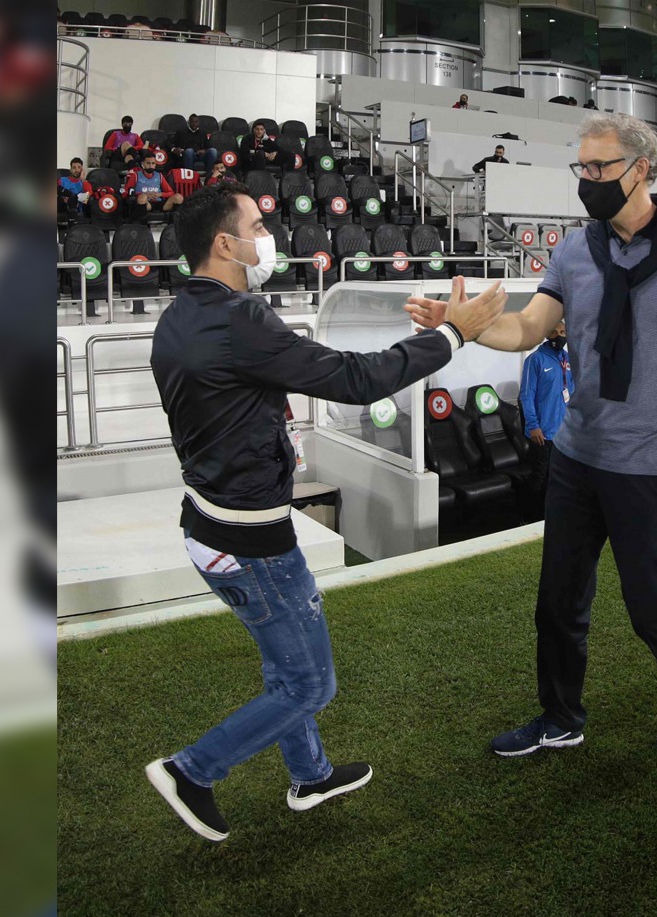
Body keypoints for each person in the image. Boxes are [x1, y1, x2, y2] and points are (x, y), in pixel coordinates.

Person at [145, 184, 508, 842]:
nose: (270, 236)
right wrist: (454, 335)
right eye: (258, 226)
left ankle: (311, 775)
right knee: (309, 686)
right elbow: (356, 379)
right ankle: (191, 770)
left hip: (206, 528)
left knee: (285, 666)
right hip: (251, 543)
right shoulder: (238, 319)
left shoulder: (180, 316)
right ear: (224, 243)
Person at [405, 112, 657, 757]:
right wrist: (464, 327)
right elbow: (528, 329)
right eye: (582, 167)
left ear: (641, 169)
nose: (587, 178)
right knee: (558, 604)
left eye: (600, 167)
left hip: (653, 465)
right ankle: (561, 717)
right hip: (577, 456)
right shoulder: (576, 249)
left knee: (652, 609)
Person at [519, 321, 573, 514]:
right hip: (542, 433)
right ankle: (528, 517)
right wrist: (533, 426)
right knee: (539, 477)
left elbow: (573, 393)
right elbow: (526, 396)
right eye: (554, 332)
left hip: (564, 433)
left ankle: (552, 516)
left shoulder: (569, 360)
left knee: (560, 477)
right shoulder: (535, 360)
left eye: (563, 332)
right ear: (546, 334)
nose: (559, 336)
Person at [122, 149, 183, 218]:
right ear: (143, 164)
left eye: (153, 163)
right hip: (146, 203)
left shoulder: (159, 175)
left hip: (159, 202)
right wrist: (145, 194)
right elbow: (127, 192)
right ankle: (141, 222)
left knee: (179, 197)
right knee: (142, 197)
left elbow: (170, 192)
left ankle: (174, 222)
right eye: (148, 163)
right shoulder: (136, 175)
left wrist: (160, 194)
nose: (151, 166)